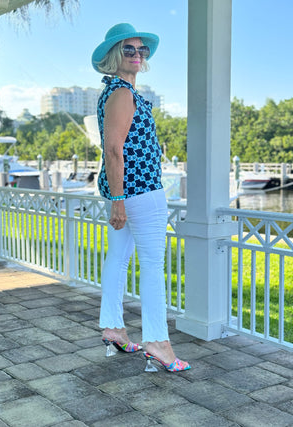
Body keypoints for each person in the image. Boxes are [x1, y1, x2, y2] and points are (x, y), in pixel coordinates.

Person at [91, 23, 190, 372]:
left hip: (129, 192)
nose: (137, 55)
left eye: (141, 50)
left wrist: (118, 198)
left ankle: (114, 327)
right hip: (140, 192)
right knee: (152, 266)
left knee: (118, 258)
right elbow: (113, 149)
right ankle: (157, 342)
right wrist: (118, 200)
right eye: (129, 50)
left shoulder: (118, 92)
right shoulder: (122, 93)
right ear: (115, 56)